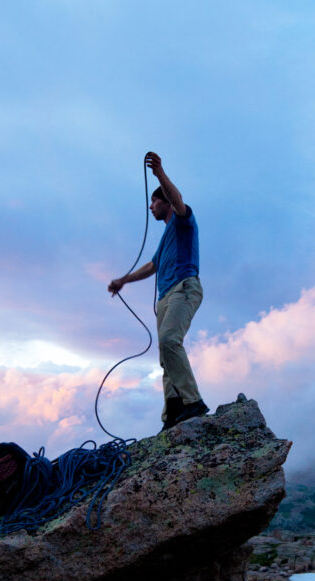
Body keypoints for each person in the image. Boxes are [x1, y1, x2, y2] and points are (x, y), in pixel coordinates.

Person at [108, 152, 208, 430]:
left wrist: (160, 174)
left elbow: (178, 200)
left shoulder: (183, 220)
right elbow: (152, 265)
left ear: (164, 201)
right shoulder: (166, 236)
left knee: (168, 340)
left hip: (183, 287)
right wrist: (124, 280)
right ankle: (173, 410)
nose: (150, 206)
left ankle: (193, 401)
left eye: (154, 201)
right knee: (166, 355)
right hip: (166, 296)